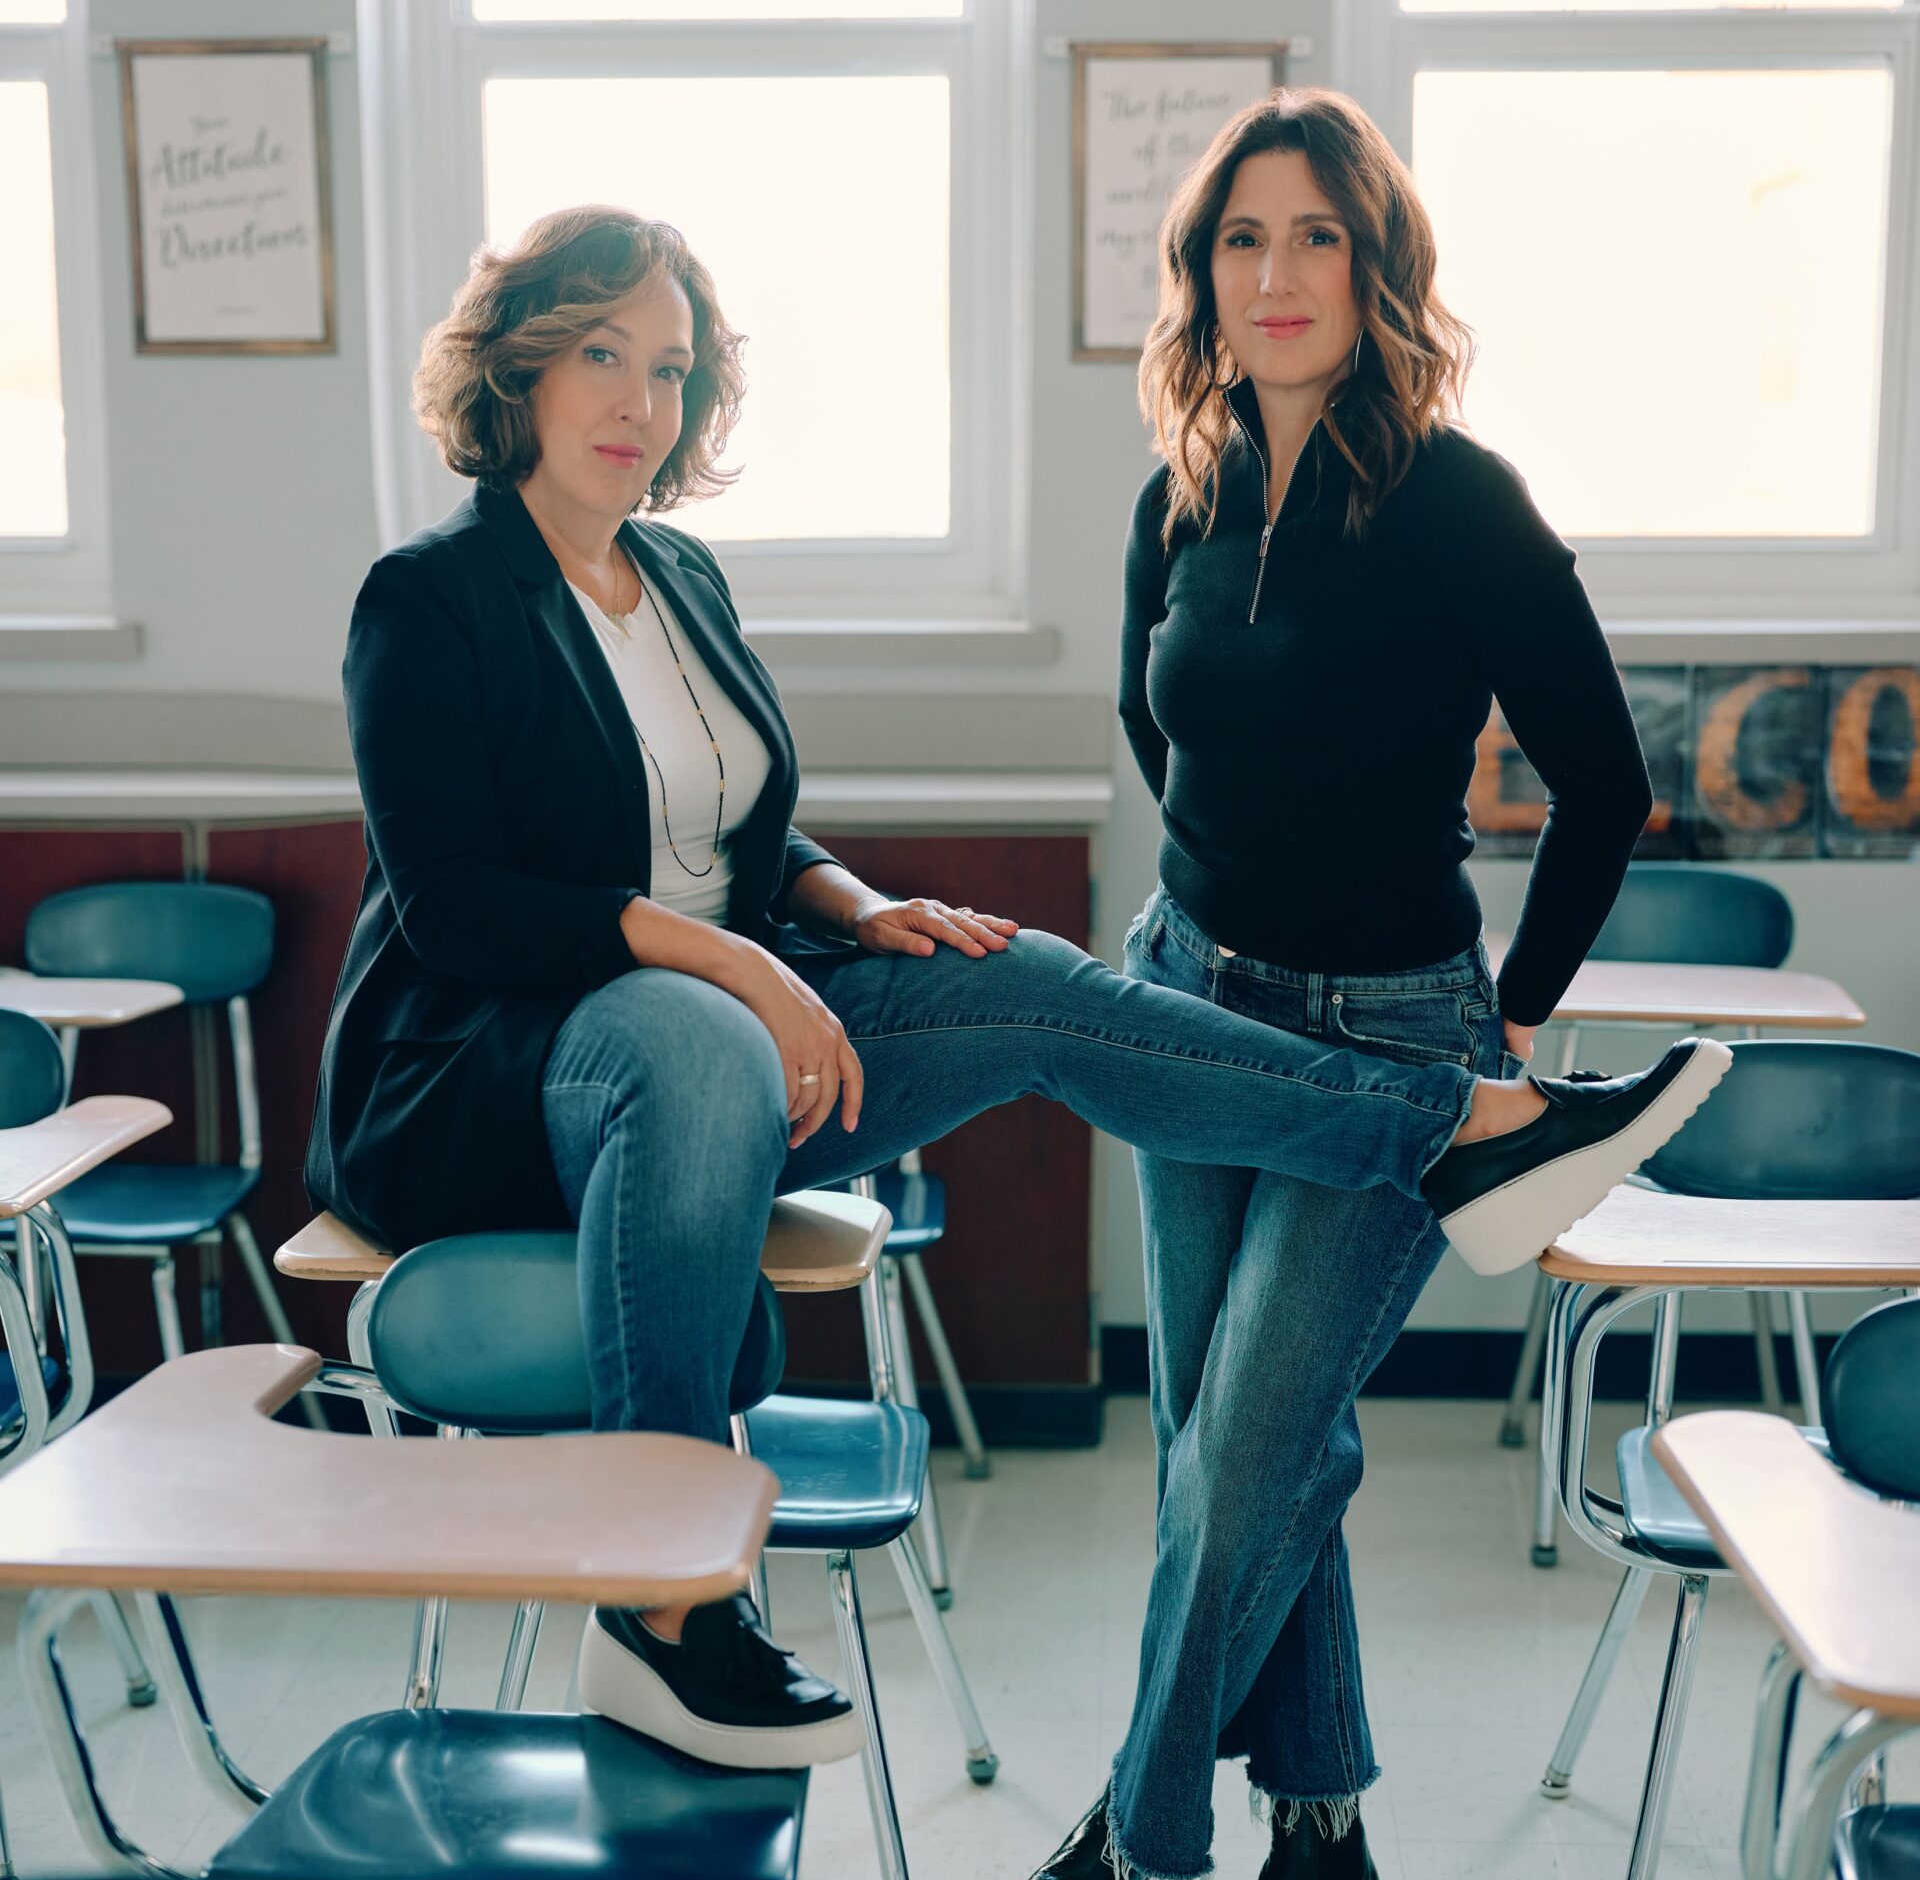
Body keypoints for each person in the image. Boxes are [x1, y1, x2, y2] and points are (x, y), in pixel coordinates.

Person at [306, 203, 1725, 1777]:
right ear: (515, 368)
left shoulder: (680, 578)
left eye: (673, 368)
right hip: (502, 1074)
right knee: (695, 1031)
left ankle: (1454, 1128)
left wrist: (853, 904)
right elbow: (464, 909)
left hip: (738, 1039)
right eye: (600, 356)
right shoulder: (427, 601)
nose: (641, 402)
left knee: (1034, 982)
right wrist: (735, 961)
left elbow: (742, 834)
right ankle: (667, 1607)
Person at [979, 88, 1685, 1880]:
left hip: (1394, 1046)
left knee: (1246, 1451)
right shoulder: (1180, 495)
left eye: (1314, 238)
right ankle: (1327, 1861)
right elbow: (1160, 719)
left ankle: (1125, 1835)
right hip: (1192, 1005)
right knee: (1236, 1451)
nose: (1273, 276)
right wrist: (1213, 905)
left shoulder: (1457, 497)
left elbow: (1606, 782)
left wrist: (1516, 1024)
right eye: (1238, 241)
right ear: (1200, 274)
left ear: (1378, 269)